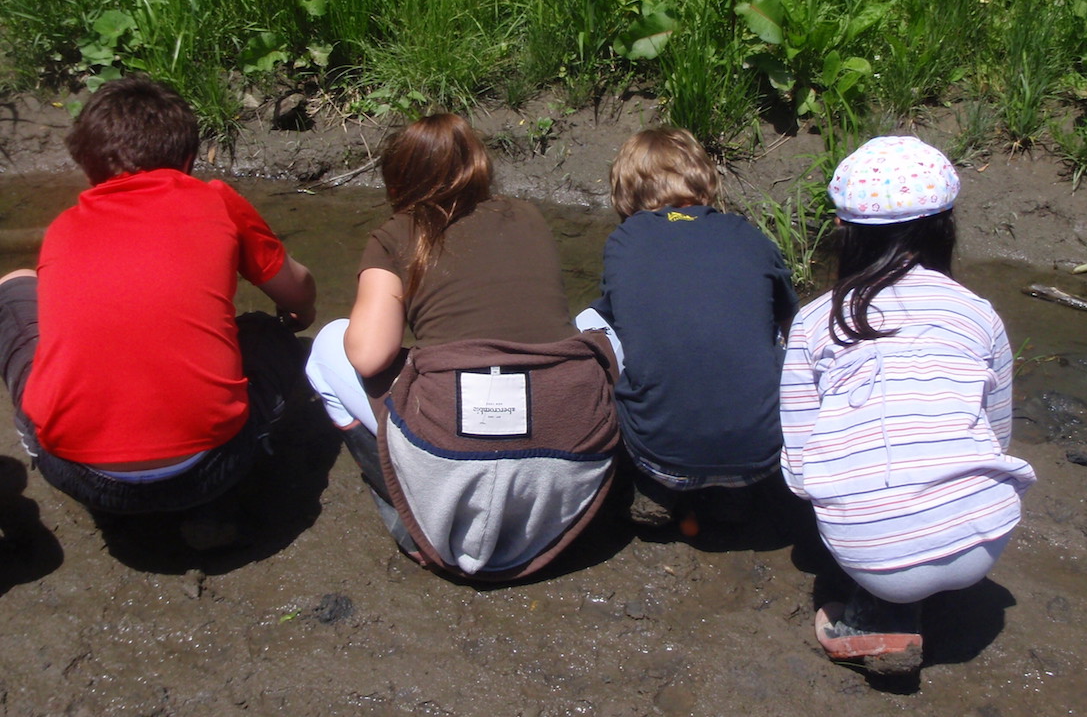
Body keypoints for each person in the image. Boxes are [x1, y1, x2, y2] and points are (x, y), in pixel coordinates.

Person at [305, 113, 618, 580]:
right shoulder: (528, 216)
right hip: (570, 455)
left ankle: (405, 496)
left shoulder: (396, 234)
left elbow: (369, 355)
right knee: (589, 326)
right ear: (481, 169)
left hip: (454, 449)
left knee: (329, 345)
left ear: (398, 184)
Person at [0, 75, 316, 522]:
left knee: (15, 282)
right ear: (188, 159)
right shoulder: (216, 202)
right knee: (268, 334)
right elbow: (298, 293)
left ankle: (34, 434)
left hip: (76, 472)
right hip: (212, 469)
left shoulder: (63, 229)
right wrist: (297, 319)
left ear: (87, 166)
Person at [779, 136, 1036, 674]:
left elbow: (801, 469)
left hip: (875, 551)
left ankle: (875, 618)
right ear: (946, 227)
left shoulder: (813, 321)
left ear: (844, 232)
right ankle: (915, 576)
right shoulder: (979, 313)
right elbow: (997, 430)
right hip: (988, 534)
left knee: (855, 494)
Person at [575, 127, 798, 527]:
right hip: (761, 457)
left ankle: (655, 489)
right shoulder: (747, 234)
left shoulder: (624, 242)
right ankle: (735, 495)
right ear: (705, 182)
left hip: (659, 457)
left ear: (625, 194)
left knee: (593, 323)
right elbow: (789, 324)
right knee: (778, 337)